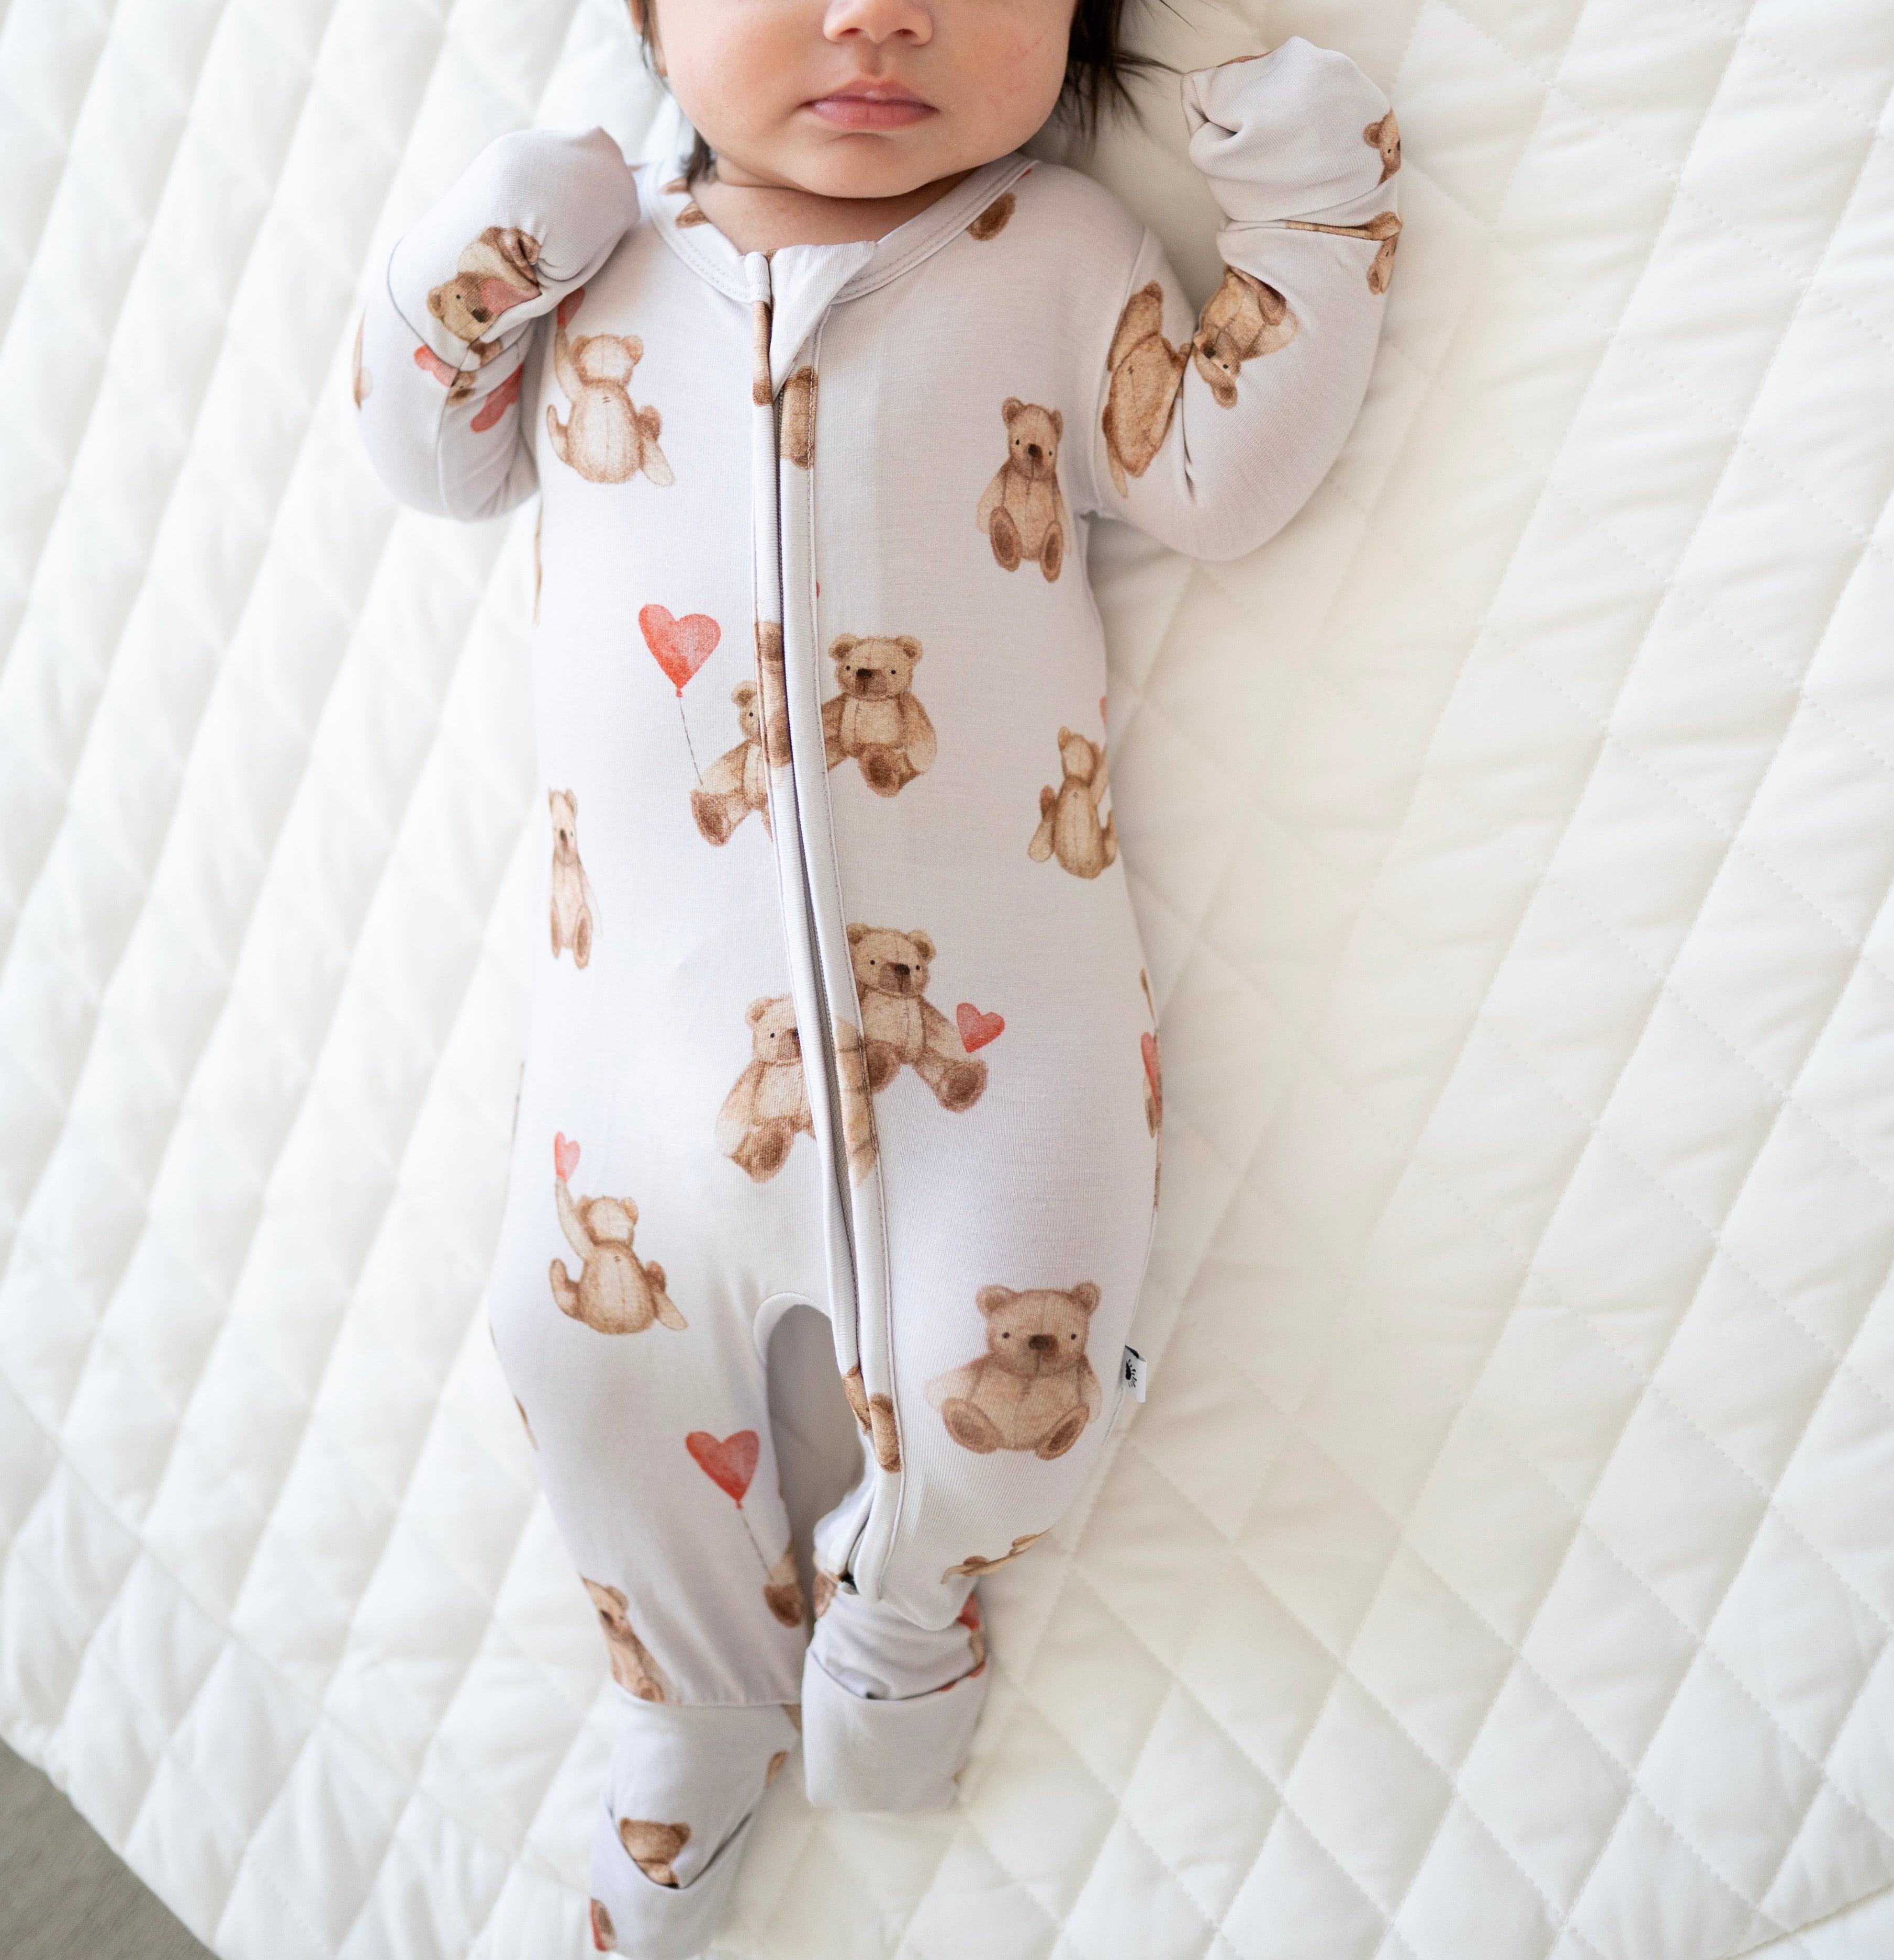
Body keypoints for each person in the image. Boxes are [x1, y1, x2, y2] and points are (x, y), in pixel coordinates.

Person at [354, 0, 1397, 1947]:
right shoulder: (596, 266)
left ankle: (903, 1609)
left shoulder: (1056, 253)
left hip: (994, 1052)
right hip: (633, 1065)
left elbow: (1217, 476)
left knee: (1030, 1385)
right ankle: (687, 1700)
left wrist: (1314, 215)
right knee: (569, 1358)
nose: (880, 16)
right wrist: (475, 250)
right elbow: (425, 454)